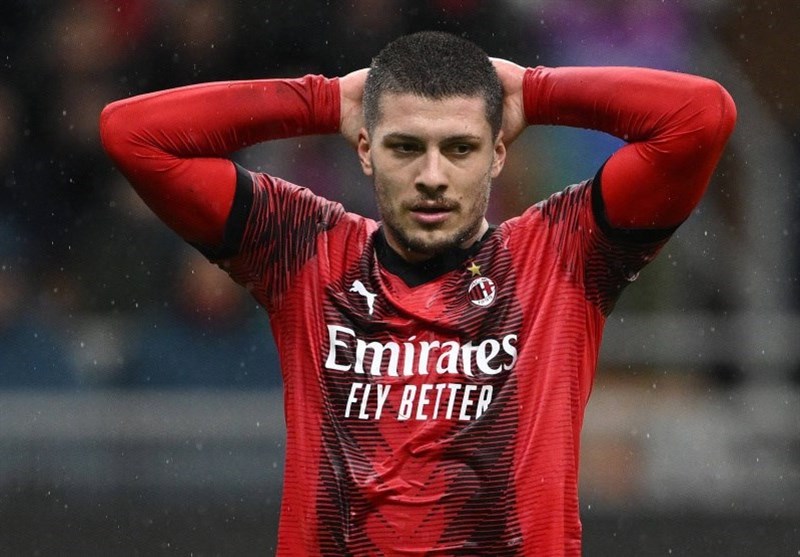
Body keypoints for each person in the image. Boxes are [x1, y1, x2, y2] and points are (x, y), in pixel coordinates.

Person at [100, 31, 736, 556]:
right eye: (406, 147)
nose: (433, 175)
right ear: (365, 149)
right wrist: (325, 100)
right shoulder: (303, 249)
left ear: (498, 154)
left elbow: (701, 117)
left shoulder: (561, 254)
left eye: (460, 148)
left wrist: (533, 91)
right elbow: (132, 133)